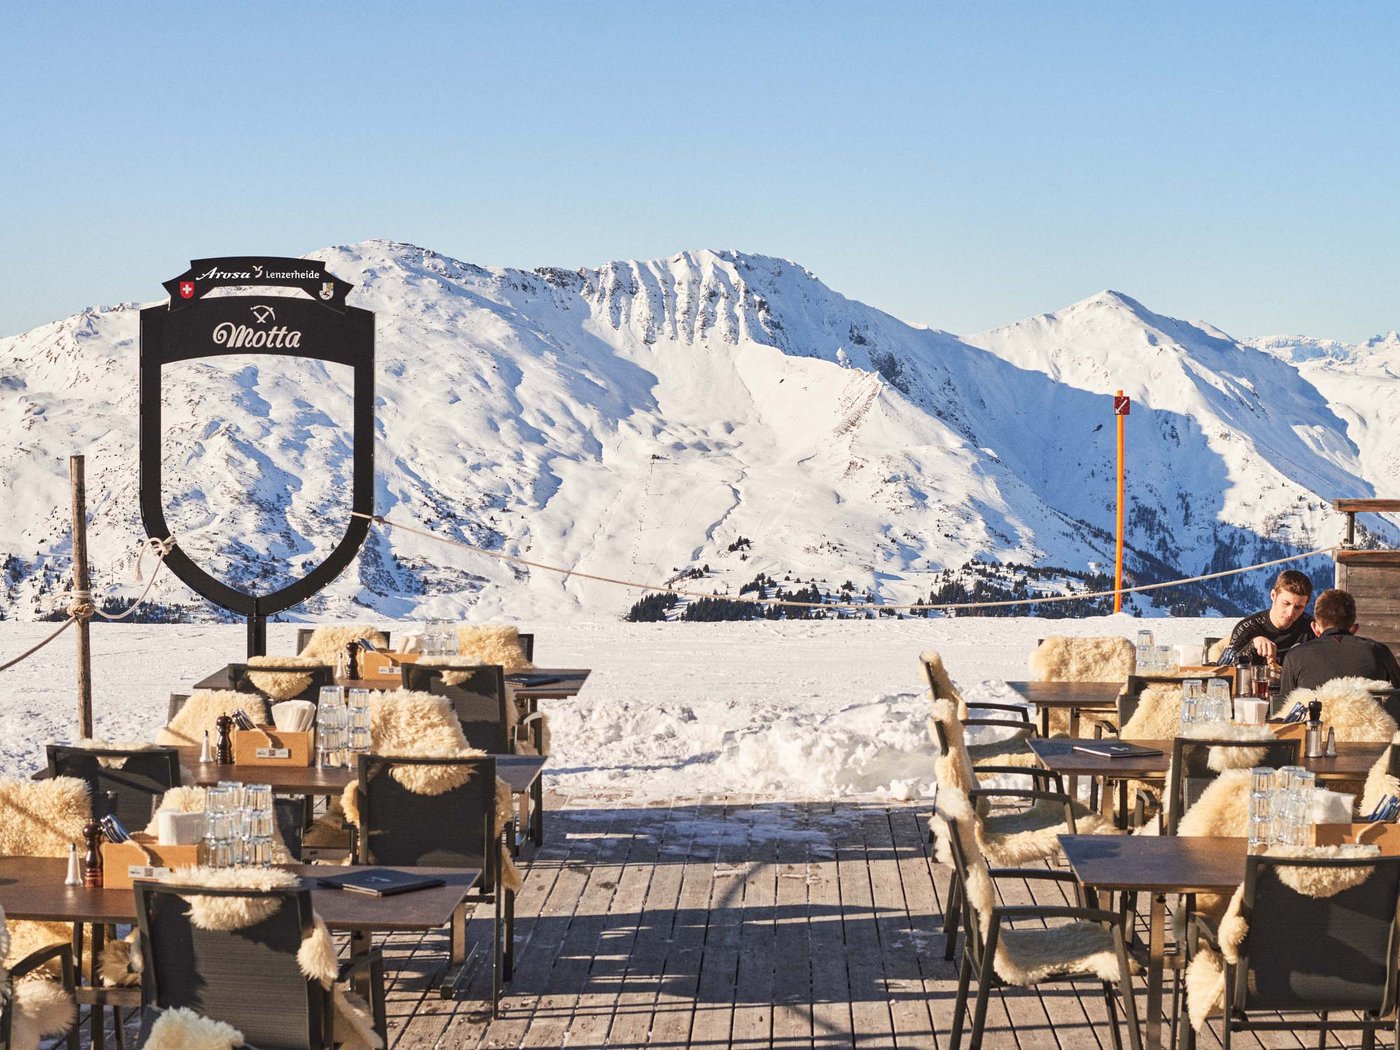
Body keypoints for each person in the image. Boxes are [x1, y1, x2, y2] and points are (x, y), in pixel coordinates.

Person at [1279, 587, 1400, 696]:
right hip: (1368, 720)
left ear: (1315, 628)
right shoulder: (1379, 651)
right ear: (1354, 628)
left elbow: (1285, 707)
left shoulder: (1295, 656)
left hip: (1318, 720)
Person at [1217, 569, 1315, 666]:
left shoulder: (1311, 628)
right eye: (1286, 603)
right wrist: (1251, 646)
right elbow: (1225, 670)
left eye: (1298, 607)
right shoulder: (1248, 628)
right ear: (1273, 596)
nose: (1290, 613)